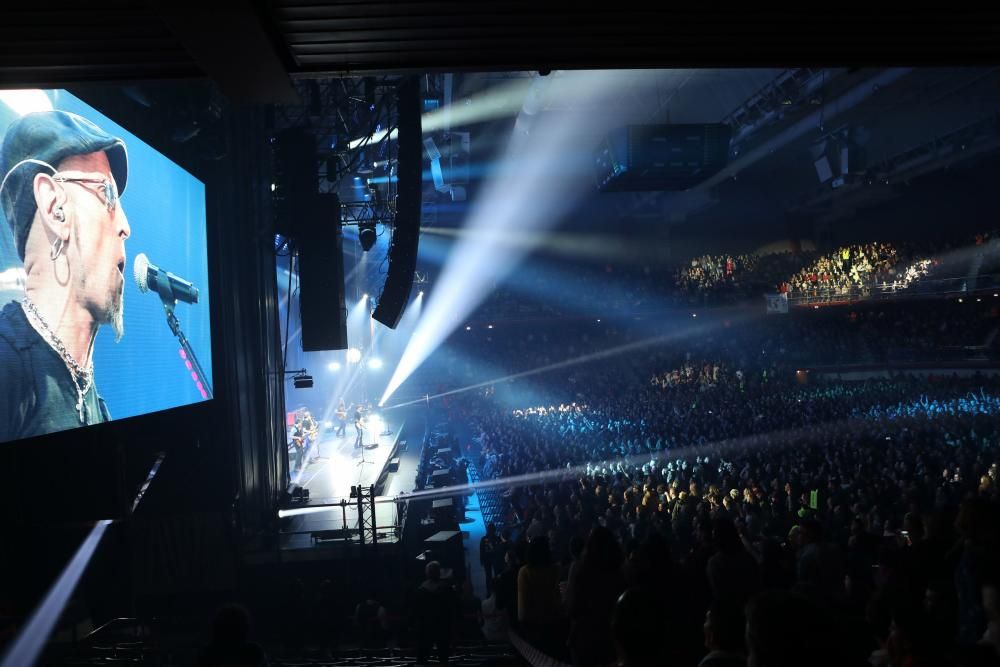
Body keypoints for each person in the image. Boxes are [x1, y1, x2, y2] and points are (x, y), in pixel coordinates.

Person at [0, 110, 130, 442]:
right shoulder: (6, 366)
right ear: (55, 207)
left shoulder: (93, 401)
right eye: (108, 194)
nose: (125, 226)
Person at [411, 561, 457, 665]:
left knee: (422, 658)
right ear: (438, 573)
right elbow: (453, 610)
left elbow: (415, 612)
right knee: (444, 658)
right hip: (443, 629)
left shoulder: (419, 591)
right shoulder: (447, 590)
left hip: (424, 629)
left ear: (427, 573)